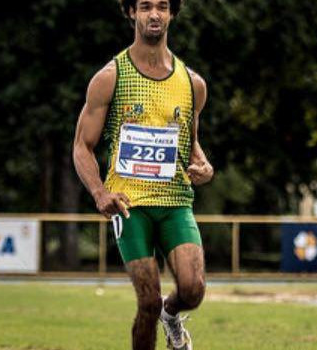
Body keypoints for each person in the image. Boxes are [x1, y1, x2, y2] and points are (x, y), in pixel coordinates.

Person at [73, 1, 213, 349]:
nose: (155, 14)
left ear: (172, 14)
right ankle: (158, 314)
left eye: (162, 7)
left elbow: (190, 143)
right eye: (146, 6)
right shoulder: (111, 77)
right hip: (129, 204)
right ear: (131, 12)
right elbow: (82, 146)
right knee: (146, 302)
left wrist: (204, 165)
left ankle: (173, 314)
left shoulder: (192, 83)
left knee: (193, 289)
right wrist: (99, 193)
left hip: (174, 201)